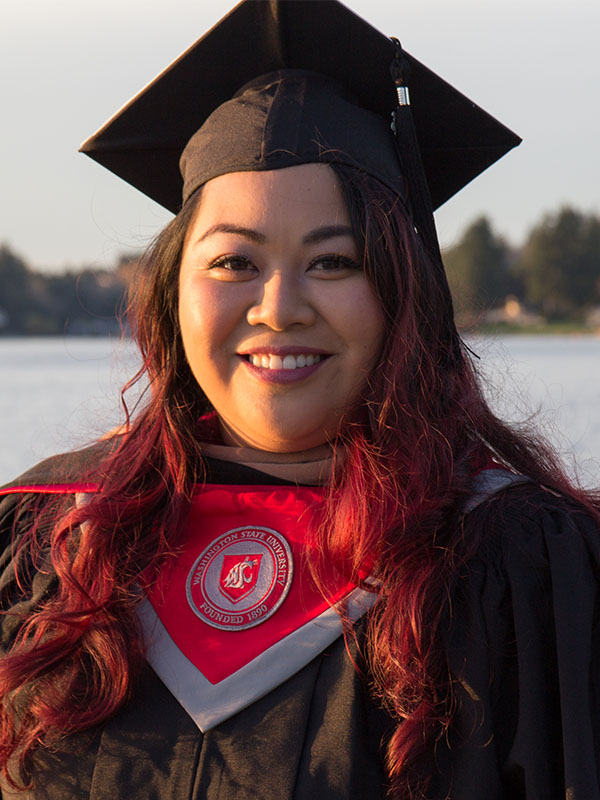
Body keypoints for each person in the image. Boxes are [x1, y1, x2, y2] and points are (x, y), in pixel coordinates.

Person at [1, 1, 599, 798]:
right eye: (232, 263)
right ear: (170, 296)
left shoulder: (511, 565)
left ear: (401, 293)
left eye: (333, 262)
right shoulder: (51, 538)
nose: (278, 307)